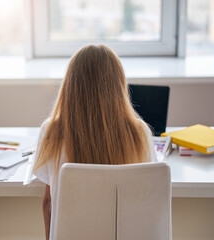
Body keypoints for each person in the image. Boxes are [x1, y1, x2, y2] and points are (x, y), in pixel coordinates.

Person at [32, 44, 157, 240]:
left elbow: (48, 203)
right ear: (118, 85)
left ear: (70, 85)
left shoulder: (51, 132)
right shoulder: (139, 133)